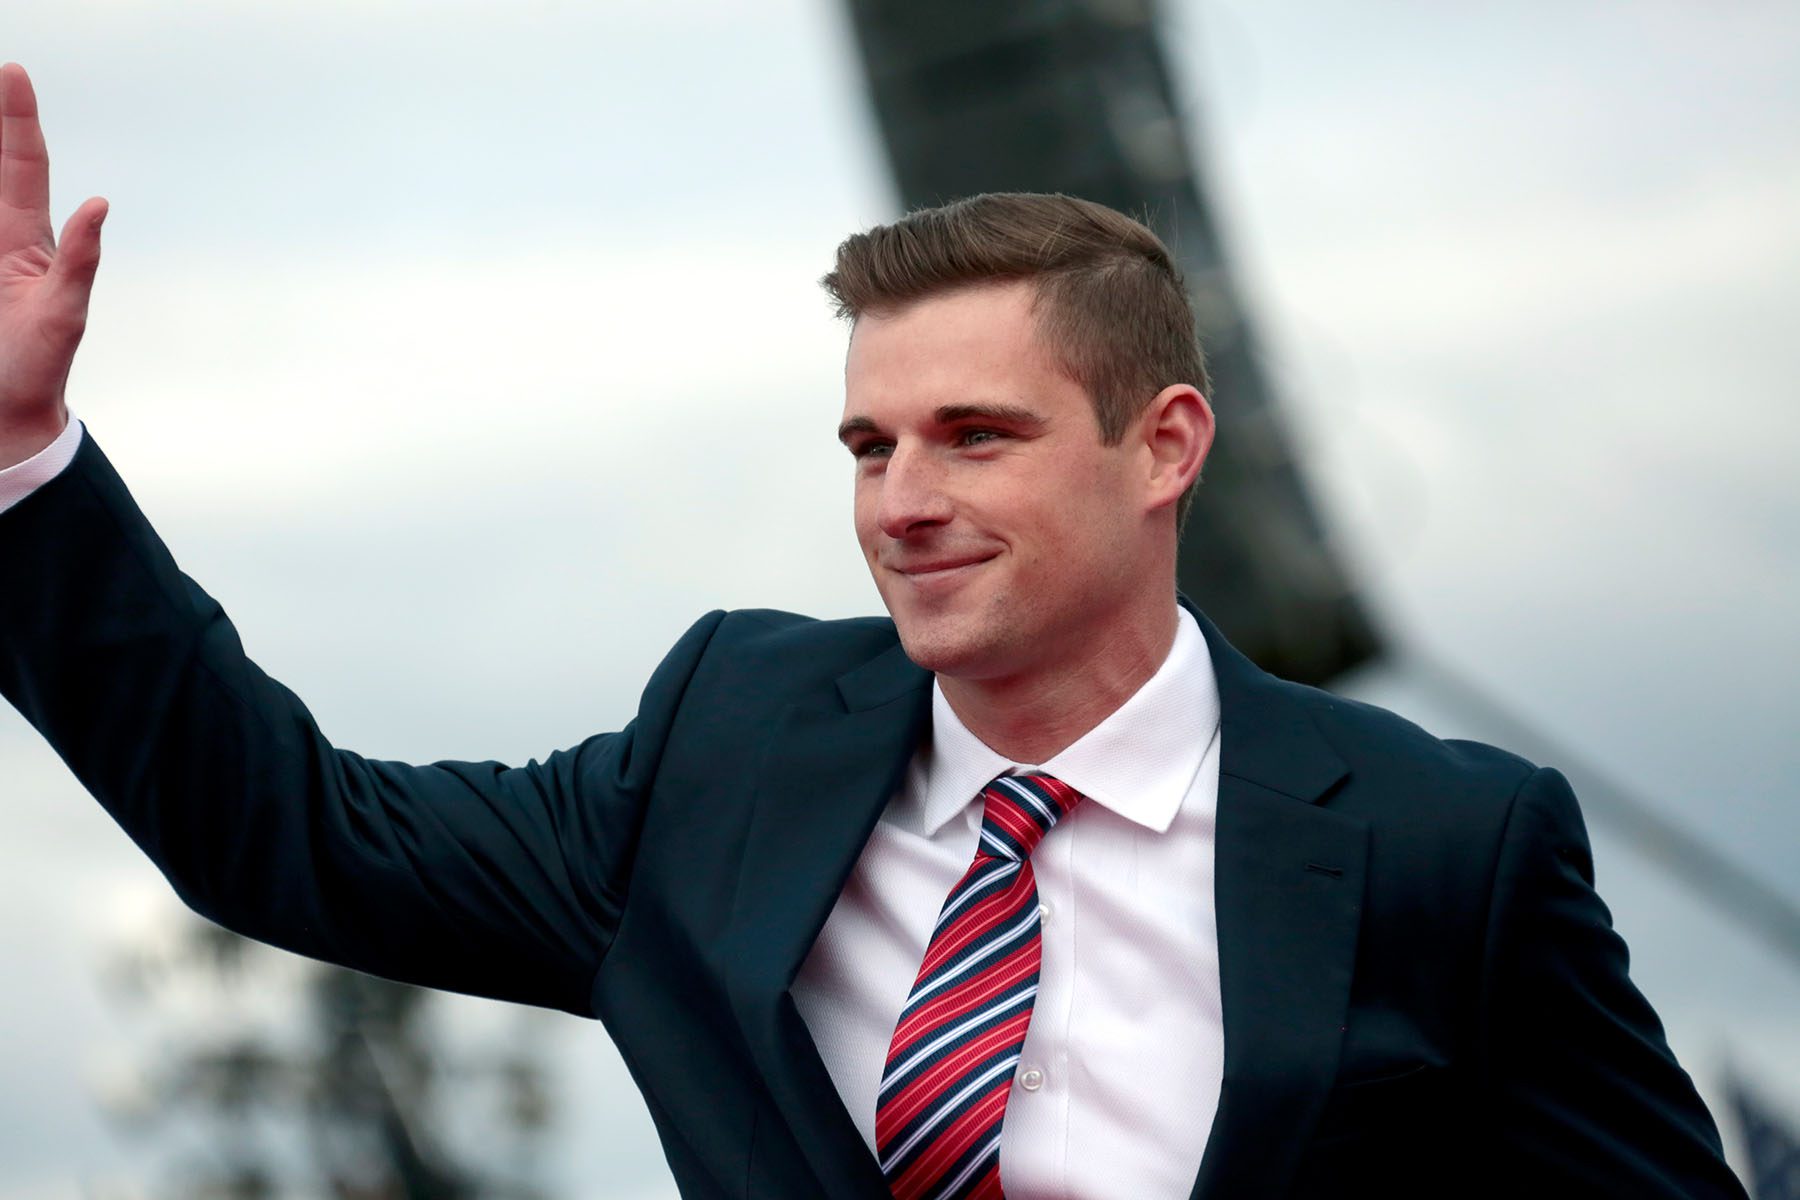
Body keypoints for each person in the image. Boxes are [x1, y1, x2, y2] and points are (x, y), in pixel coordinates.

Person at [0, 61, 1747, 1199]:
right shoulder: (724, 749)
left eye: (975, 436)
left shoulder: (1449, 842)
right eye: (869, 443)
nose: (900, 499)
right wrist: (24, 462)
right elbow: (286, 833)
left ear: (1166, 446)